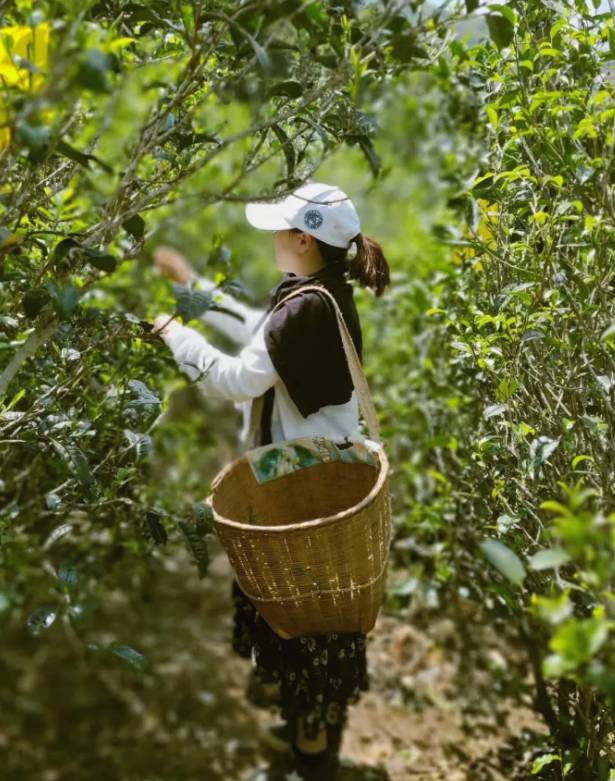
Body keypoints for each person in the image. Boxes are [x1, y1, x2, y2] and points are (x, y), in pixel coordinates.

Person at [152, 181, 390, 775]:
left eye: (282, 230)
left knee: (308, 628)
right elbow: (259, 329)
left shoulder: (307, 306)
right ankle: (303, 741)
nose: (275, 239)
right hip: (313, 484)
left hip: (305, 496)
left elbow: (238, 378)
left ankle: (311, 762)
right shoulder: (314, 292)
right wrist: (194, 291)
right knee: (310, 626)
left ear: (303, 239)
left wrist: (172, 335)